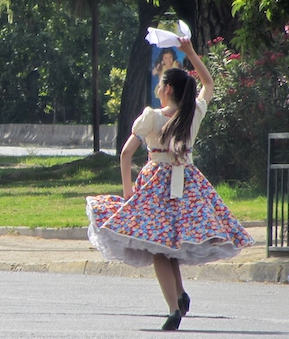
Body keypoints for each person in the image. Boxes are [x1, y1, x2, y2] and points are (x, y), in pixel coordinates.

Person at [85, 38, 254, 331]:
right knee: (169, 244)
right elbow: (209, 83)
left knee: (159, 248)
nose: (157, 87)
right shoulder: (194, 113)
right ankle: (180, 294)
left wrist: (128, 192)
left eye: (161, 84)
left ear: (168, 90)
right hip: (188, 184)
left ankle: (174, 307)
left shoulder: (152, 118)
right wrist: (189, 53)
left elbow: (126, 154)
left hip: (155, 185)